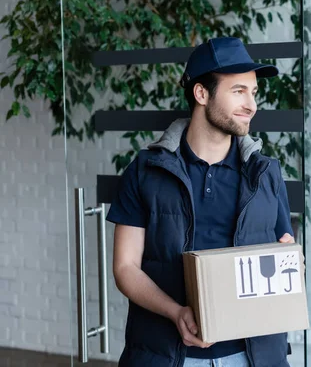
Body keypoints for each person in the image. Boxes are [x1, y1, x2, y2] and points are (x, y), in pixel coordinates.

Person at [107, 37, 295, 367]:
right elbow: (125, 267)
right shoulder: (146, 171)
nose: (251, 104)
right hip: (167, 356)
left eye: (253, 93)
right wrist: (175, 312)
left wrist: (292, 266)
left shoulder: (266, 172)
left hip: (252, 357)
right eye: (239, 91)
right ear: (201, 93)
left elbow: (282, 254)